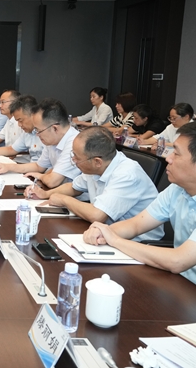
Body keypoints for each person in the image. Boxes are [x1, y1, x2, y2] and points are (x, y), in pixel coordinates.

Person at [83, 122, 196, 285]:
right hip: (180, 281)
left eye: (176, 154)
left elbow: (178, 261)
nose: (168, 158)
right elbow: (136, 225)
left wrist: (115, 240)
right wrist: (102, 232)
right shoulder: (176, 190)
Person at [28, 127, 163, 241]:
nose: (73, 160)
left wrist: (64, 200)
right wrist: (45, 194)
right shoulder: (98, 165)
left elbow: (97, 215)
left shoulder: (126, 174)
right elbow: (74, 187)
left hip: (138, 242)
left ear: (97, 161)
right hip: (106, 232)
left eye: (77, 157)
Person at [0, 98, 80, 188]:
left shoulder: (74, 143)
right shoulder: (53, 140)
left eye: (39, 131)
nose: (37, 134)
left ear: (54, 128)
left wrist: (40, 176)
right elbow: (38, 166)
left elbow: (52, 181)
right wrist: (8, 167)